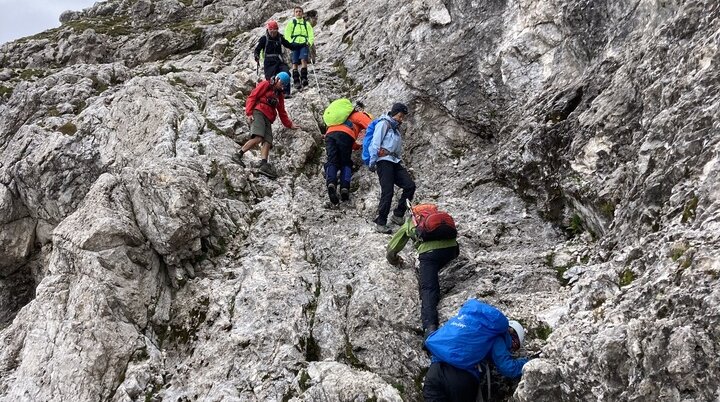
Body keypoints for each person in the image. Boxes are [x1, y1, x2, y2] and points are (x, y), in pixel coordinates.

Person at [423, 300, 531, 402]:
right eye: (515, 345)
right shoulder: (496, 335)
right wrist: (528, 363)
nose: (512, 349)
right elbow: (507, 368)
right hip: (461, 379)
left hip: (434, 372)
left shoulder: (462, 319)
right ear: (511, 333)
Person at [386, 203, 459, 335]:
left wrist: (395, 260)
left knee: (428, 289)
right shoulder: (438, 217)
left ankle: (430, 329)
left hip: (430, 254)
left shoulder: (412, 222)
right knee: (436, 268)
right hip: (452, 250)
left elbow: (392, 249)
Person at [233, 72, 296, 178]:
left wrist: (289, 124)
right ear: (277, 79)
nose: (282, 86)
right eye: (281, 83)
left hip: (269, 118)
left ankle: (263, 164)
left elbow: (282, 112)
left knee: (267, 141)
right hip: (259, 112)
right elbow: (252, 96)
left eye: (284, 85)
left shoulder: (279, 95)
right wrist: (249, 113)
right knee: (258, 137)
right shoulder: (266, 84)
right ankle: (238, 154)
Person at [368, 102, 415, 233]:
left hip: (395, 162)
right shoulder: (384, 124)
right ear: (394, 113)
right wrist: (372, 161)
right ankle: (381, 222)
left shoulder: (396, 130)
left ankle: (398, 215)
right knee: (388, 191)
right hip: (383, 162)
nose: (401, 119)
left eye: (403, 117)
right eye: (400, 116)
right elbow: (375, 142)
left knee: (410, 185)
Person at [324, 101, 372, 205]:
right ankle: (344, 188)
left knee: (332, 161)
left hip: (329, 134)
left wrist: (356, 146)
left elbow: (352, 144)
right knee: (346, 162)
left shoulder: (339, 119)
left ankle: (331, 183)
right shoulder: (359, 114)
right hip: (345, 135)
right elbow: (371, 125)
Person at [254, 20, 302, 98]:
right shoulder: (264, 39)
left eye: (275, 31)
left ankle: (286, 92)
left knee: (285, 73)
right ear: (268, 30)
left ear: (277, 30)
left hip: (278, 60)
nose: (273, 33)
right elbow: (257, 49)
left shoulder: (280, 37)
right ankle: (274, 94)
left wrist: (299, 46)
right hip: (269, 62)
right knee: (271, 80)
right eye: (271, 31)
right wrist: (256, 55)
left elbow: (289, 45)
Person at [283, 6, 315, 90]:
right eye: (296, 11)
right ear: (294, 13)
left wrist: (309, 42)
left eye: (300, 11)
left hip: (304, 43)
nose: (298, 13)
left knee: (303, 59)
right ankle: (296, 80)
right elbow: (287, 34)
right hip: (294, 44)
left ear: (302, 13)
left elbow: (311, 34)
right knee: (295, 61)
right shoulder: (291, 23)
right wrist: (291, 43)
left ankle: (304, 78)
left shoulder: (306, 23)